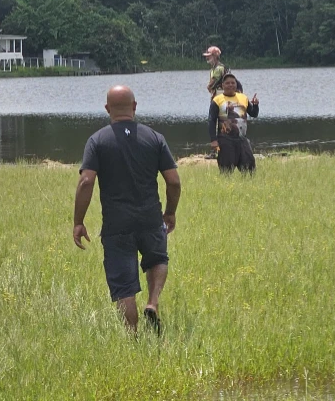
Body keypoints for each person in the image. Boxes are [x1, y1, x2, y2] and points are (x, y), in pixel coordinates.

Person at [73, 85, 182, 335]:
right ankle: (153, 303)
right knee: (158, 259)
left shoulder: (97, 140)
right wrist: (170, 212)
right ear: (134, 107)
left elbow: (86, 181)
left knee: (124, 285)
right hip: (151, 217)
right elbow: (174, 181)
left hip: (117, 224)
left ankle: (132, 338)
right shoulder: (154, 138)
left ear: (107, 109)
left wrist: (78, 221)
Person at [208, 73, 259, 174]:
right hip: (225, 139)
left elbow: (253, 114)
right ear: (222, 85)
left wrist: (255, 105)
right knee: (226, 171)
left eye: (233, 83)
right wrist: (213, 140)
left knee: (250, 170)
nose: (230, 85)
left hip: (242, 139)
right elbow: (211, 121)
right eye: (227, 83)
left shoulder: (243, 98)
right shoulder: (217, 100)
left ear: (236, 84)